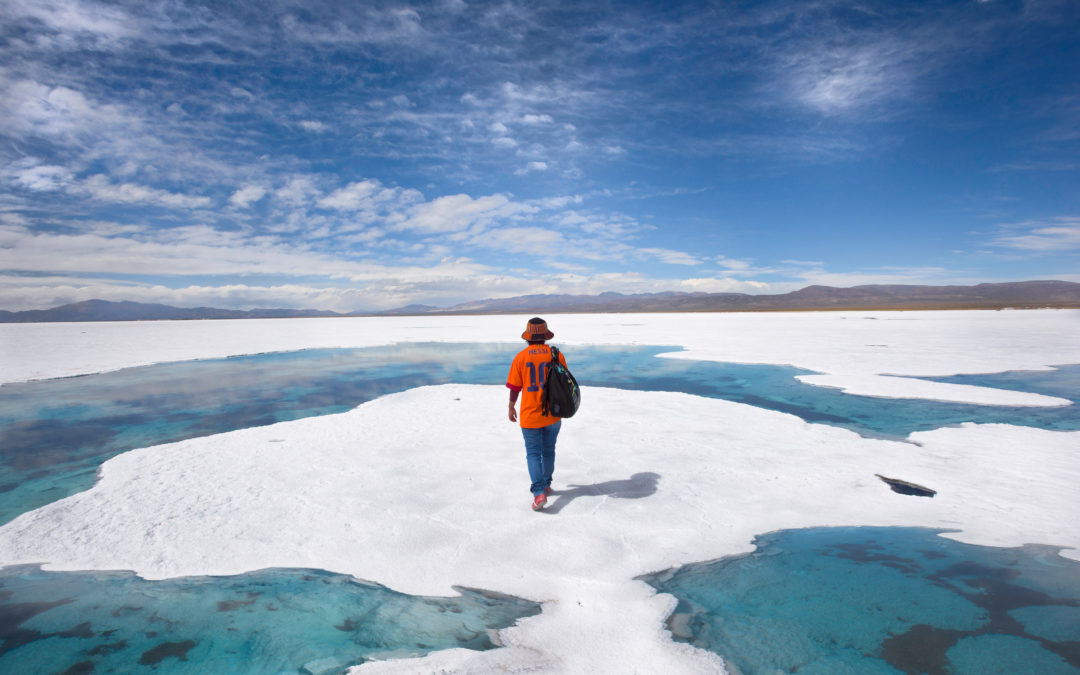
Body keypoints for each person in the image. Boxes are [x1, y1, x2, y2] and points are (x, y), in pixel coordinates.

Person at [506, 317, 568, 511]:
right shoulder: (556, 355)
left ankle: (539, 492)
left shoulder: (521, 357)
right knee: (549, 450)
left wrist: (511, 406)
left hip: (530, 415)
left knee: (533, 453)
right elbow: (566, 381)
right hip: (553, 414)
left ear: (528, 337)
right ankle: (546, 484)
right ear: (545, 336)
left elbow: (515, 387)